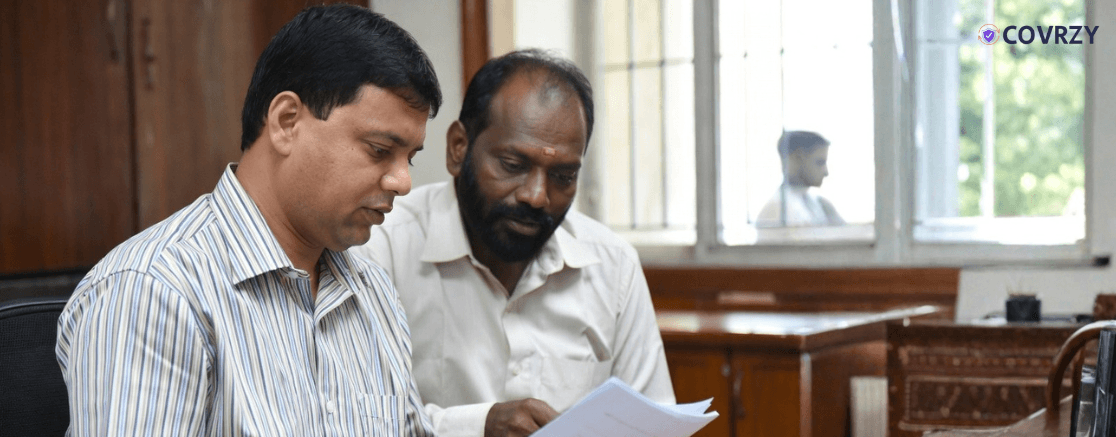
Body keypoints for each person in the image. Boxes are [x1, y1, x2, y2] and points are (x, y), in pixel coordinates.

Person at [55, 5, 442, 435]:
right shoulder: (154, 292)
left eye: (410, 158)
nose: (403, 182)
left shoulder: (371, 290)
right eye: (379, 150)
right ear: (286, 122)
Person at [355, 49, 675, 437]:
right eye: (513, 165)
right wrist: (477, 427)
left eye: (562, 176)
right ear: (458, 148)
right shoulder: (380, 249)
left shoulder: (613, 266)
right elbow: (354, 419)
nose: (536, 196)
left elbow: (651, 424)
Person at [756, 130, 845, 227]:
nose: (826, 172)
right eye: (820, 163)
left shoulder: (821, 205)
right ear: (796, 158)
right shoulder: (777, 210)